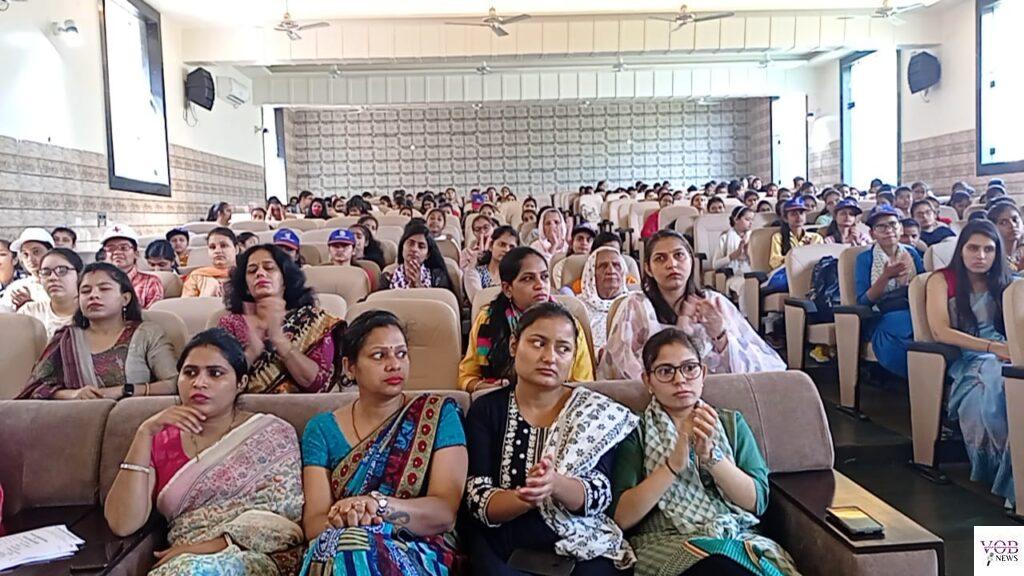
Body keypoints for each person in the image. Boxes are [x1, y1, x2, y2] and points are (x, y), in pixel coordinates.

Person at [103, 328, 304, 575]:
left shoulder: (272, 433)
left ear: (241, 383)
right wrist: (144, 433)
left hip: (254, 556)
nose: (199, 383)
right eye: (190, 373)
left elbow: (285, 517)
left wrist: (205, 548)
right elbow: (122, 524)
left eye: (215, 373)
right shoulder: (160, 440)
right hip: (182, 560)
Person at [463, 302, 638, 575]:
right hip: (505, 545)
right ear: (514, 346)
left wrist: (554, 484)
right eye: (538, 343)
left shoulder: (595, 412)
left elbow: (599, 493)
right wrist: (526, 498)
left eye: (563, 349)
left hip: (580, 542)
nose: (550, 357)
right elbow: (477, 498)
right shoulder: (487, 410)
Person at [611, 329, 798, 576]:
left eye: (689, 368)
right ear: (648, 381)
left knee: (731, 564)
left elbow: (757, 502)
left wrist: (711, 457)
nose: (680, 380)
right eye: (666, 371)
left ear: (703, 374)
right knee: (718, 566)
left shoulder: (731, 424)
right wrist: (673, 465)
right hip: (667, 541)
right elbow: (622, 517)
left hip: (737, 535)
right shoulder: (635, 430)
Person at [298, 311, 467, 574]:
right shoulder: (321, 430)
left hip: (420, 546)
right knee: (344, 547)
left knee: (355, 549)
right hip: (341, 543)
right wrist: (348, 518)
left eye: (401, 354)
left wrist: (378, 506)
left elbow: (444, 513)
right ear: (350, 367)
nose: (394, 365)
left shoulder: (437, 414)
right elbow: (314, 523)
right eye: (379, 356)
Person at [599, 230, 784, 381]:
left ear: (691, 261)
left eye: (679, 255)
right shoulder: (636, 307)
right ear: (648, 268)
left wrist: (720, 334)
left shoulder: (715, 303)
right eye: (660, 259)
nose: (672, 264)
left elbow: (764, 369)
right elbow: (623, 372)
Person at [926, 220, 1015, 506]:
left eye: (989, 250)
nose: (981, 256)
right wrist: (992, 347)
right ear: (961, 250)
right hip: (971, 358)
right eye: (973, 248)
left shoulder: (1008, 282)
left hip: (1010, 353)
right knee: (998, 380)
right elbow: (940, 331)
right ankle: (1012, 480)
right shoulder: (942, 280)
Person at [18, 262, 178, 399]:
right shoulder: (66, 338)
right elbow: (35, 389)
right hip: (76, 418)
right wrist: (73, 395)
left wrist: (125, 390)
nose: (93, 295)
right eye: (85, 291)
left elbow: (174, 383)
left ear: (125, 298)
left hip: (132, 417)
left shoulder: (147, 333)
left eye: (104, 289)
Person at [460, 247, 594, 393]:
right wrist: (484, 387)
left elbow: (583, 385)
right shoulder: (487, 320)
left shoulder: (568, 325)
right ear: (507, 289)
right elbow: (467, 377)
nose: (540, 285)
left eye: (544, 277)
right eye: (528, 278)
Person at [218, 245, 342, 394]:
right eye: (252, 271)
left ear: (285, 279)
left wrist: (279, 339)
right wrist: (252, 352)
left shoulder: (313, 319)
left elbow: (317, 384)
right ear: (245, 286)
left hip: (304, 407)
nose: (260, 273)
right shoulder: (231, 324)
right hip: (246, 407)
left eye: (269, 268)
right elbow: (218, 382)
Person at [855, 206, 925, 379]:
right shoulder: (865, 258)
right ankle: (918, 379)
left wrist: (905, 283)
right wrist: (886, 277)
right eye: (881, 227)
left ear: (900, 229)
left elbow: (923, 286)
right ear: (872, 234)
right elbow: (863, 301)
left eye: (893, 225)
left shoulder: (911, 253)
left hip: (911, 308)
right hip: (879, 314)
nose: (889, 230)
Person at [19, 248, 82, 339]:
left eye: (62, 270)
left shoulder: (92, 314)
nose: (52, 278)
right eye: (45, 272)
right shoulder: (29, 312)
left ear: (79, 275)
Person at [579, 247, 630, 358]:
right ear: (591, 273)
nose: (611, 271)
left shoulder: (634, 302)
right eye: (603, 266)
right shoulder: (577, 307)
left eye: (616, 265)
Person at [101, 224, 164, 309]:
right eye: (111, 249)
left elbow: (152, 315)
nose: (116, 252)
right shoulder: (97, 282)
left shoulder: (150, 282)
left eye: (124, 248)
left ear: (136, 254)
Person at [382, 222, 454, 292]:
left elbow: (441, 299)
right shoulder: (388, 277)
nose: (414, 249)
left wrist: (418, 286)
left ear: (427, 254)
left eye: (421, 246)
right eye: (410, 243)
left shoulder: (438, 277)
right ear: (402, 247)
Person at [0, 228, 54, 312]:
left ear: (51, 252)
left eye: (36, 252)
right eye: (25, 254)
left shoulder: (62, 284)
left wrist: (30, 306)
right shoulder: (17, 287)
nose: (30, 259)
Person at [464, 225, 520, 305]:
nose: (507, 250)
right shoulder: (475, 274)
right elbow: (478, 301)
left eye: (512, 247)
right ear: (491, 246)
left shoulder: (518, 275)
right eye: (502, 244)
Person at [712, 207, 754, 307]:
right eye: (747, 219)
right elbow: (715, 264)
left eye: (752, 220)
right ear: (736, 219)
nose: (751, 223)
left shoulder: (754, 237)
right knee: (744, 287)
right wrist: (732, 256)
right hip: (735, 276)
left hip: (752, 274)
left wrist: (748, 253)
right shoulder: (725, 238)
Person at [768, 197, 823, 270]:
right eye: (793, 214)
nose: (799, 217)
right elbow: (774, 261)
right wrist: (797, 258)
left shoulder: (816, 237)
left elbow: (820, 259)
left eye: (801, 213)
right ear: (785, 218)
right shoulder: (778, 237)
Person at [182, 227, 238, 298]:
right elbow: (185, 304)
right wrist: (207, 296)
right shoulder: (197, 276)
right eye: (212, 247)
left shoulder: (246, 275)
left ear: (236, 249)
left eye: (223, 246)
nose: (217, 251)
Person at [987, 203, 1024, 272]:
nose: (1013, 225)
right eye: (1003, 223)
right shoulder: (991, 258)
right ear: (993, 227)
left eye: (1015, 220)